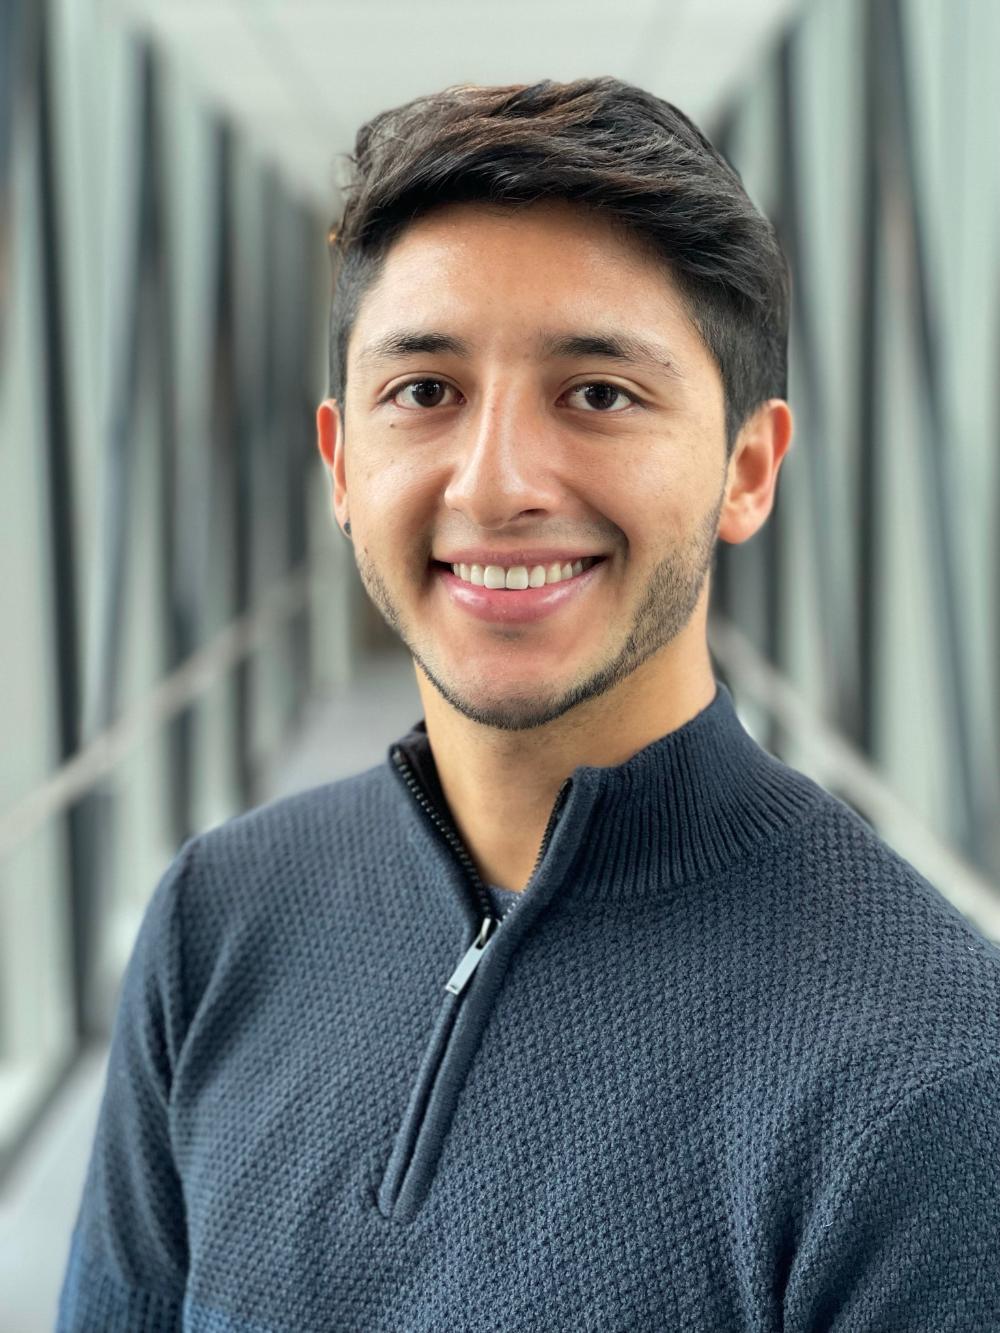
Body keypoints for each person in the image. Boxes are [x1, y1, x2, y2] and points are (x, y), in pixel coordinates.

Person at [58, 78, 1000, 1331]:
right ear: (341, 465)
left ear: (746, 469)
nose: (494, 485)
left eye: (598, 392)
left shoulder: (936, 1064)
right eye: (424, 392)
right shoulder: (213, 918)